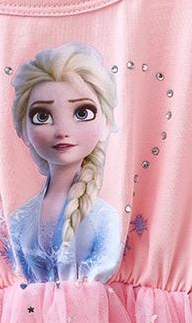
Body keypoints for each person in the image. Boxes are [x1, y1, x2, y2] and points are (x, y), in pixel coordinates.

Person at [7, 42, 123, 284]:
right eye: (42, 116)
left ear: (105, 123)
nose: (62, 131)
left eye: (82, 113)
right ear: (24, 130)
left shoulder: (105, 218)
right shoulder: (19, 219)